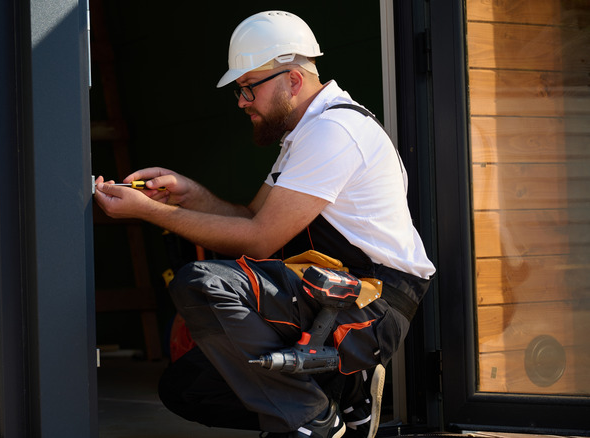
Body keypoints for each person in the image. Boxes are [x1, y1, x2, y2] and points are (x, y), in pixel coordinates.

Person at [94, 10, 435, 438]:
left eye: (248, 88)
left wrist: (148, 212)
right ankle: (343, 393)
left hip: (368, 306)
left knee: (201, 283)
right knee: (189, 387)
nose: (241, 101)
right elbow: (253, 217)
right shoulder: (306, 133)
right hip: (323, 291)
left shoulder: (335, 130)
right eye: (239, 90)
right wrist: (185, 193)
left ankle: (312, 422)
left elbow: (260, 240)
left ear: (292, 80)